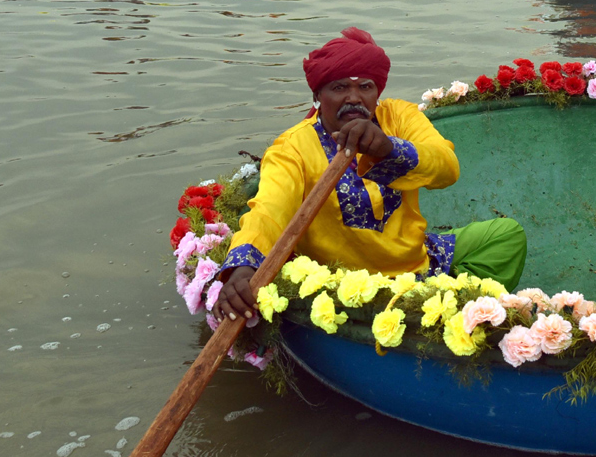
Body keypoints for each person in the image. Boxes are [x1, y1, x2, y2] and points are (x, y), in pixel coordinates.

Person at [212, 28, 529, 321]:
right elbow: (269, 211)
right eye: (339, 88)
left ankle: (446, 306)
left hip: (416, 263)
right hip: (346, 285)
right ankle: (445, 308)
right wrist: (242, 268)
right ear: (318, 97)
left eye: (365, 87)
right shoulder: (292, 148)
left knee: (507, 236)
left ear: (377, 93)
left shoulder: (398, 117)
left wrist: (389, 148)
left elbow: (447, 167)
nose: (353, 97)